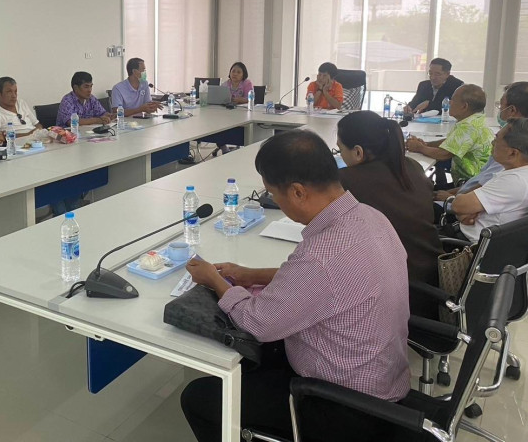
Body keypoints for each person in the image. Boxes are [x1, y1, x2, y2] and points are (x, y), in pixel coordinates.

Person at [181, 130, 410, 442]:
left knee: (198, 398)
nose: (275, 202)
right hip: (381, 380)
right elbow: (329, 282)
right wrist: (250, 275)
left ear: (298, 192)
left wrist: (215, 280)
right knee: (255, 359)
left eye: (274, 195)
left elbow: (258, 323)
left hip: (344, 405)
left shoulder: (321, 256)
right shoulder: (370, 217)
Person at [336, 111, 442, 316]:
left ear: (358, 152)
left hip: (396, 292)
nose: (340, 155)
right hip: (430, 277)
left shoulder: (347, 180)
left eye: (340, 149)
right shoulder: (411, 166)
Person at [435, 81, 528, 203]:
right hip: (467, 191)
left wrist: (452, 198)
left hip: (467, 202)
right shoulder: (512, 142)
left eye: (500, 105)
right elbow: (480, 181)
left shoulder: (510, 147)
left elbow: (482, 190)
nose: (493, 142)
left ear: (512, 110)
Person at [451, 118, 528, 242]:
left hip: (466, 244)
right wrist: (465, 211)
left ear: (513, 153)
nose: (492, 142)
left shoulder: (514, 181)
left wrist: (463, 209)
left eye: (497, 139)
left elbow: (458, 205)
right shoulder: (518, 173)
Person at [405, 84, 493, 184]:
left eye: (453, 100)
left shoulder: (469, 127)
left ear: (464, 106)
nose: (449, 102)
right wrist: (426, 144)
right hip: (476, 179)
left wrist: (419, 148)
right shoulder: (474, 120)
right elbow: (450, 142)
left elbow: (444, 154)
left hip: (471, 182)